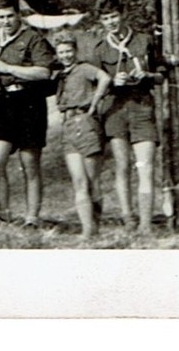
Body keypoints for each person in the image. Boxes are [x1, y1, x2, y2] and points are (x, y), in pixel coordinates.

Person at [0, 0, 55, 227]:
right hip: (2, 104)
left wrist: (9, 68)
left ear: (18, 14)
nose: (6, 21)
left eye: (10, 16)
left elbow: (44, 72)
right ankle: (4, 214)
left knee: (29, 164)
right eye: (1, 17)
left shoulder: (33, 38)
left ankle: (32, 218)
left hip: (28, 102)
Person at [92, 0, 159, 232]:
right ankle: (128, 217)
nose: (111, 22)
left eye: (114, 16)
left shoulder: (143, 40)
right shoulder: (100, 49)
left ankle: (145, 224)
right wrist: (112, 82)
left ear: (123, 14)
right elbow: (95, 85)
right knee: (122, 165)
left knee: (145, 165)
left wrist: (148, 76)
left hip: (141, 107)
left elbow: (161, 73)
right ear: (101, 22)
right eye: (106, 18)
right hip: (115, 110)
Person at [51, 30, 111, 239]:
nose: (65, 55)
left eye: (69, 51)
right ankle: (87, 230)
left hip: (85, 123)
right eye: (61, 52)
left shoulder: (84, 68)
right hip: (68, 126)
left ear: (75, 51)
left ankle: (96, 226)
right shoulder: (61, 75)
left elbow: (104, 78)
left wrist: (95, 103)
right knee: (78, 180)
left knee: (92, 179)